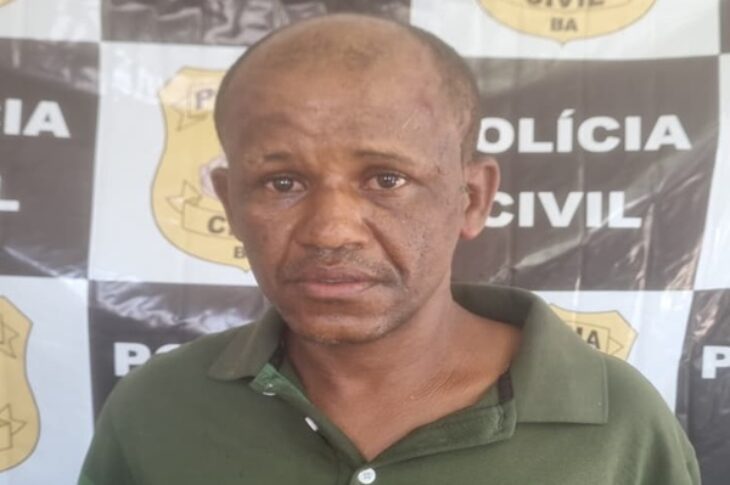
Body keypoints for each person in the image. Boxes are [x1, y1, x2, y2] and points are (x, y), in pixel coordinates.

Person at [79, 14, 700, 485]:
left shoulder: (620, 424)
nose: (331, 231)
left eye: (386, 179)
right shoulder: (158, 408)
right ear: (229, 201)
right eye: (282, 183)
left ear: (472, 198)